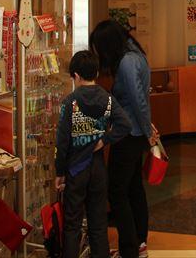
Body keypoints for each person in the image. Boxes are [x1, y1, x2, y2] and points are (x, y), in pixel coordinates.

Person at [55, 50, 132, 258]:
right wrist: (104, 140)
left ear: (76, 75)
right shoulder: (107, 99)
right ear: (96, 73)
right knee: (98, 224)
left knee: (72, 225)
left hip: (75, 169)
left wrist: (59, 172)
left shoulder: (70, 102)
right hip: (97, 169)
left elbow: (62, 142)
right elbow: (125, 124)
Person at [90, 20, 157, 258]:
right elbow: (141, 100)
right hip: (135, 133)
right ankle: (139, 243)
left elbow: (138, 101)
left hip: (128, 134)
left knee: (117, 192)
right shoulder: (137, 54)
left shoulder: (127, 62)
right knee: (133, 188)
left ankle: (130, 249)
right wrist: (147, 129)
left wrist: (148, 132)